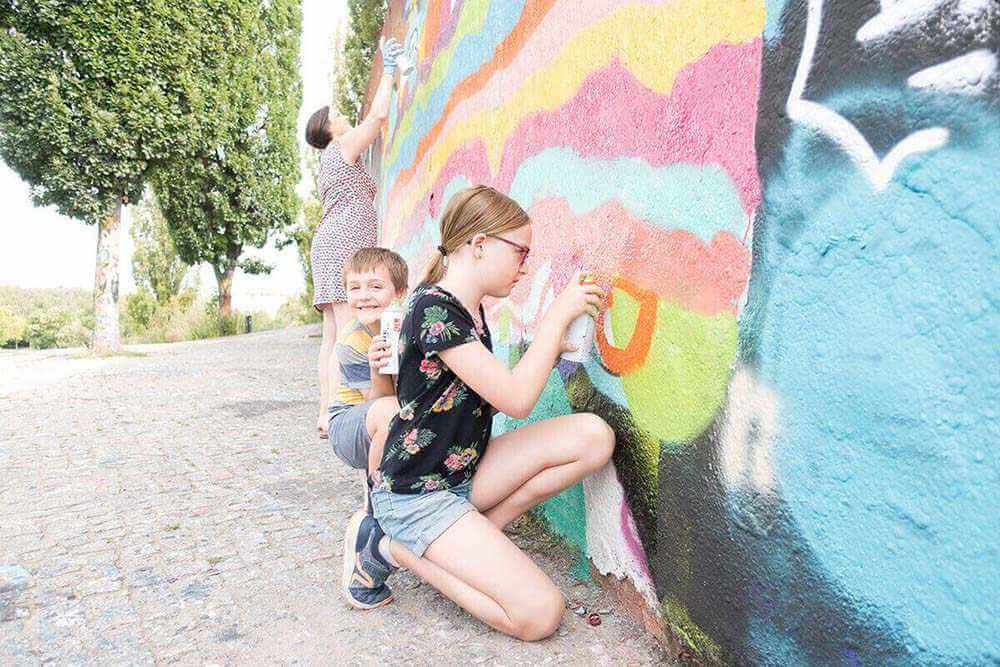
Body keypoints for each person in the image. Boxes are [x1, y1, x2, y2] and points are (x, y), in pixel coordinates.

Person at [342, 186, 615, 641]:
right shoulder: (434, 309)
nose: (524, 266)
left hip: (461, 474)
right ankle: (388, 547)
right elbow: (515, 399)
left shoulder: (472, 310)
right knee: (539, 615)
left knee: (593, 438)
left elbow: (485, 394)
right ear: (479, 244)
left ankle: (478, 537)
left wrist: (548, 350)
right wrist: (552, 325)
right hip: (416, 493)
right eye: (520, 252)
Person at [305, 37, 404, 439]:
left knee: (333, 331)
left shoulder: (329, 161)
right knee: (349, 328)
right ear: (328, 128)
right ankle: (345, 409)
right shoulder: (342, 147)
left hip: (328, 241)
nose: (346, 117)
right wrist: (391, 66)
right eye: (340, 115)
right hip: (344, 241)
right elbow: (379, 116)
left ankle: (327, 411)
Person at [325, 248, 409, 608]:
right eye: (354, 288)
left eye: (375, 286)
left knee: (400, 416)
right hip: (349, 424)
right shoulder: (352, 341)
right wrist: (379, 366)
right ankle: (375, 511)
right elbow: (376, 403)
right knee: (389, 411)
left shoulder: (406, 329)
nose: (364, 296)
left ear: (399, 293)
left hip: (386, 418)